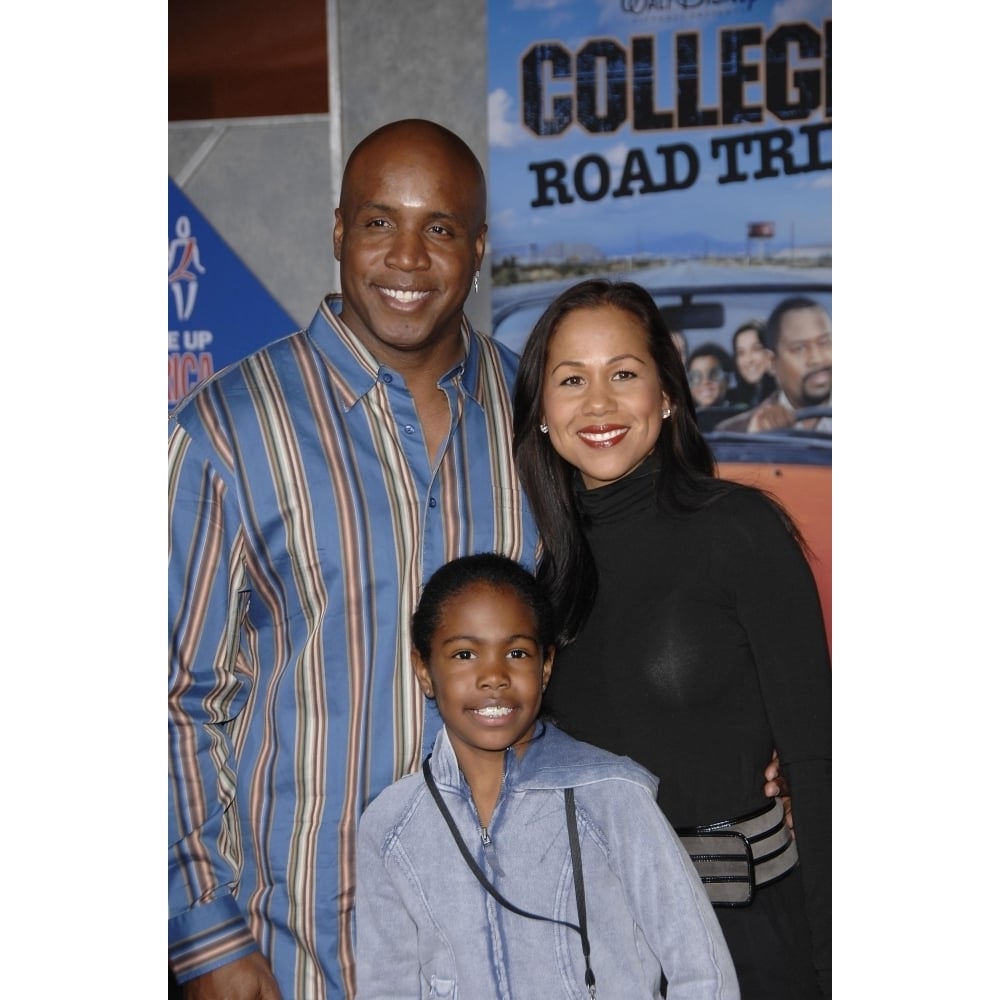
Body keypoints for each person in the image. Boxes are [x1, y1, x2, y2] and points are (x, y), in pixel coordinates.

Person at [167, 119, 539, 1000]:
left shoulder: (539, 418)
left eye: (440, 229)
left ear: (478, 248)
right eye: (379, 223)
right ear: (338, 232)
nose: (407, 258)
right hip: (304, 952)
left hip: (514, 946)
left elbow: (612, 626)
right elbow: (174, 697)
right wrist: (205, 934)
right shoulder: (228, 429)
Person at [512, 279, 832, 999]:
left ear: (666, 394)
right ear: (540, 414)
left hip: (747, 942)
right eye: (571, 380)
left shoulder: (740, 530)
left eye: (623, 373)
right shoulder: (543, 581)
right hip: (604, 961)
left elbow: (818, 765)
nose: (598, 404)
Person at [354, 553, 739, 999]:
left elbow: (703, 972)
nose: (494, 676)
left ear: (546, 666)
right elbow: (387, 987)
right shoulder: (390, 826)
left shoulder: (614, 797)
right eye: (465, 654)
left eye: (516, 653)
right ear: (424, 670)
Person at [716, 297, 832, 433]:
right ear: (771, 363)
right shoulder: (736, 432)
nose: (817, 359)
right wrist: (755, 444)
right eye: (799, 348)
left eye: (825, 343)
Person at [726, 318, 776, 408]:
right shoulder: (732, 402)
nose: (749, 360)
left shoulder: (786, 395)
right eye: (741, 352)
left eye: (756, 349)